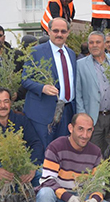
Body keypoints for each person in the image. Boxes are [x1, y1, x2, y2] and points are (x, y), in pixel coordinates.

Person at [0, 88, 44, 196]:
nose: (3, 106)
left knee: (43, 174)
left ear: (10, 103)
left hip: (20, 166)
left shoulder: (21, 119)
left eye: (6, 101)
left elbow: (36, 143)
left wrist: (32, 166)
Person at [22, 17, 77, 148]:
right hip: (43, 113)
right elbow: (25, 80)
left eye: (63, 31)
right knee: (45, 151)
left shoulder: (71, 54)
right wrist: (42, 88)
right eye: (55, 30)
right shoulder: (36, 52)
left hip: (67, 111)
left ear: (68, 33)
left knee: (64, 150)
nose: (59, 34)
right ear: (48, 31)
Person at [76, 31, 110, 154]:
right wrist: (82, 117)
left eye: (98, 42)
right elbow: (78, 94)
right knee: (93, 153)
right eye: (91, 42)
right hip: (93, 118)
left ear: (104, 44)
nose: (94, 45)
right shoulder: (80, 65)